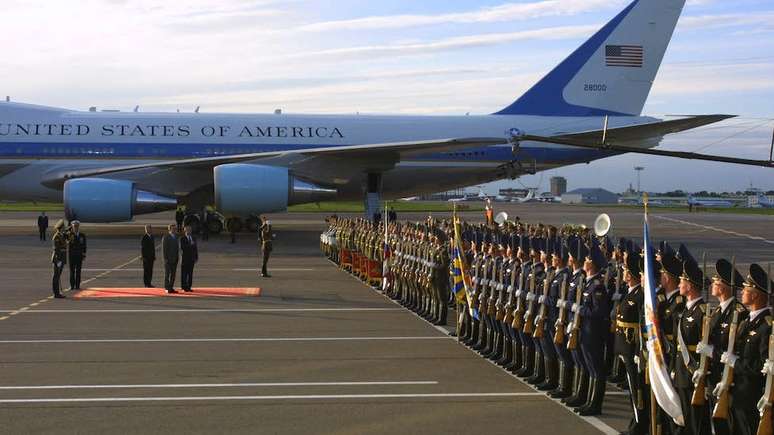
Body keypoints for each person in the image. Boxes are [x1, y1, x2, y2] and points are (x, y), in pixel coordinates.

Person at [726, 264, 772, 435]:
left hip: (751, 395)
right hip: (737, 392)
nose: (741, 292)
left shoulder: (766, 327)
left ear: (755, 295)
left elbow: (761, 366)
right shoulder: (746, 322)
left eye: (745, 290)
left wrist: (735, 363)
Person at [50, 219, 68, 298]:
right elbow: (56, 249)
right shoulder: (56, 237)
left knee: (58, 276)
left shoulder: (61, 235)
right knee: (56, 276)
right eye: (63, 227)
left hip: (62, 258)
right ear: (61, 228)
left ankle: (57, 293)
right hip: (58, 258)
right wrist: (57, 261)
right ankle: (56, 293)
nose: (65, 228)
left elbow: (65, 244)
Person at [67, 220, 86, 290]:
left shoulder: (82, 235)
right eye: (75, 226)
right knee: (72, 271)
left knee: (78, 271)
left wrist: (84, 254)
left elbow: (84, 246)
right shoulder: (69, 235)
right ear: (72, 227)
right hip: (71, 256)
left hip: (79, 256)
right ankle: (72, 286)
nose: (76, 227)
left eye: (77, 226)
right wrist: (68, 231)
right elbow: (64, 238)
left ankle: (77, 286)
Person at [162, 224, 179, 293]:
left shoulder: (176, 237)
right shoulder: (166, 237)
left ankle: (171, 287)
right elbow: (164, 249)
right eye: (173, 229)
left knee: (173, 274)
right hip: (168, 259)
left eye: (175, 229)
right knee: (167, 274)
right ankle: (167, 287)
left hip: (175, 259)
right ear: (169, 229)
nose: (174, 230)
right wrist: (165, 258)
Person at [180, 225, 197, 292]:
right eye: (187, 230)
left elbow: (195, 248)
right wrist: (191, 244)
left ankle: (189, 286)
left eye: (190, 230)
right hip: (185, 259)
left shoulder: (193, 238)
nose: (188, 231)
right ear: (184, 230)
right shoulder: (182, 238)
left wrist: (196, 256)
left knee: (190, 273)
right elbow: (183, 247)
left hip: (192, 259)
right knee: (184, 273)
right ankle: (184, 286)